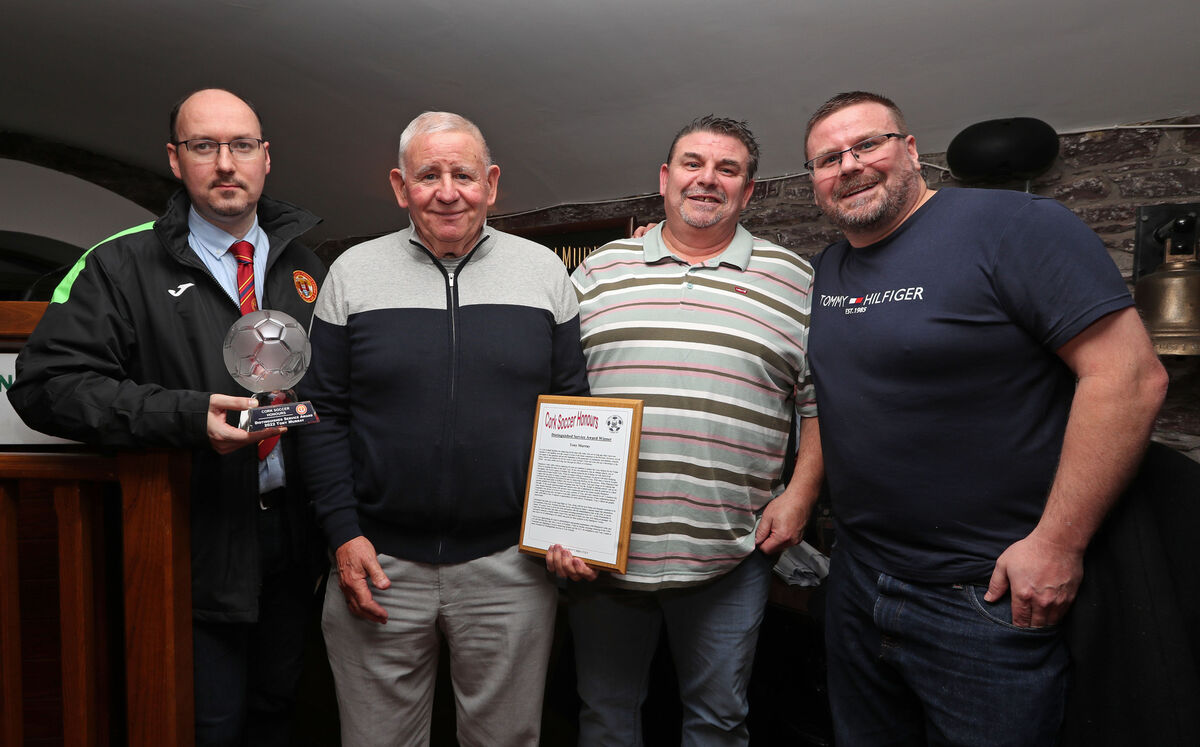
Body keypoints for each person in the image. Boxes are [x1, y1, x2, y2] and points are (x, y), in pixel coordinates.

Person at [803, 91, 1168, 746]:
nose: (849, 165)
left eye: (867, 144)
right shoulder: (828, 269)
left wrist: (1057, 545)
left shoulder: (1015, 224)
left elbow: (1130, 377)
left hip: (982, 598)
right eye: (827, 158)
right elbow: (838, 398)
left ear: (910, 150)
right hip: (858, 584)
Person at [8, 88, 327, 746]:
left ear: (266, 158)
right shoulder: (121, 263)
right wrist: (186, 417)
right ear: (176, 162)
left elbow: (330, 391)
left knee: (277, 715)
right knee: (202, 724)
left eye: (241, 145)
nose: (225, 162)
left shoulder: (304, 264)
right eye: (203, 146)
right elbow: (47, 385)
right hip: (187, 541)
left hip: (292, 545)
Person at [298, 111, 589, 747]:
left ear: (491, 183)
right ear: (400, 187)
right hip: (377, 564)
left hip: (512, 568)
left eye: (463, 174)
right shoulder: (351, 274)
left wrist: (569, 524)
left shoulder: (544, 274)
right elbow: (320, 413)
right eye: (428, 175)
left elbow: (572, 408)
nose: (447, 191)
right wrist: (343, 534)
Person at [546, 115, 823, 746]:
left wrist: (800, 495)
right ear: (665, 179)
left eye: (728, 169)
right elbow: (553, 397)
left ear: (748, 191)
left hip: (729, 555)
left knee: (719, 722)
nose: (708, 179)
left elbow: (818, 406)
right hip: (602, 559)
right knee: (605, 717)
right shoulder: (594, 273)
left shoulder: (796, 281)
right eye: (693, 164)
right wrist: (556, 520)